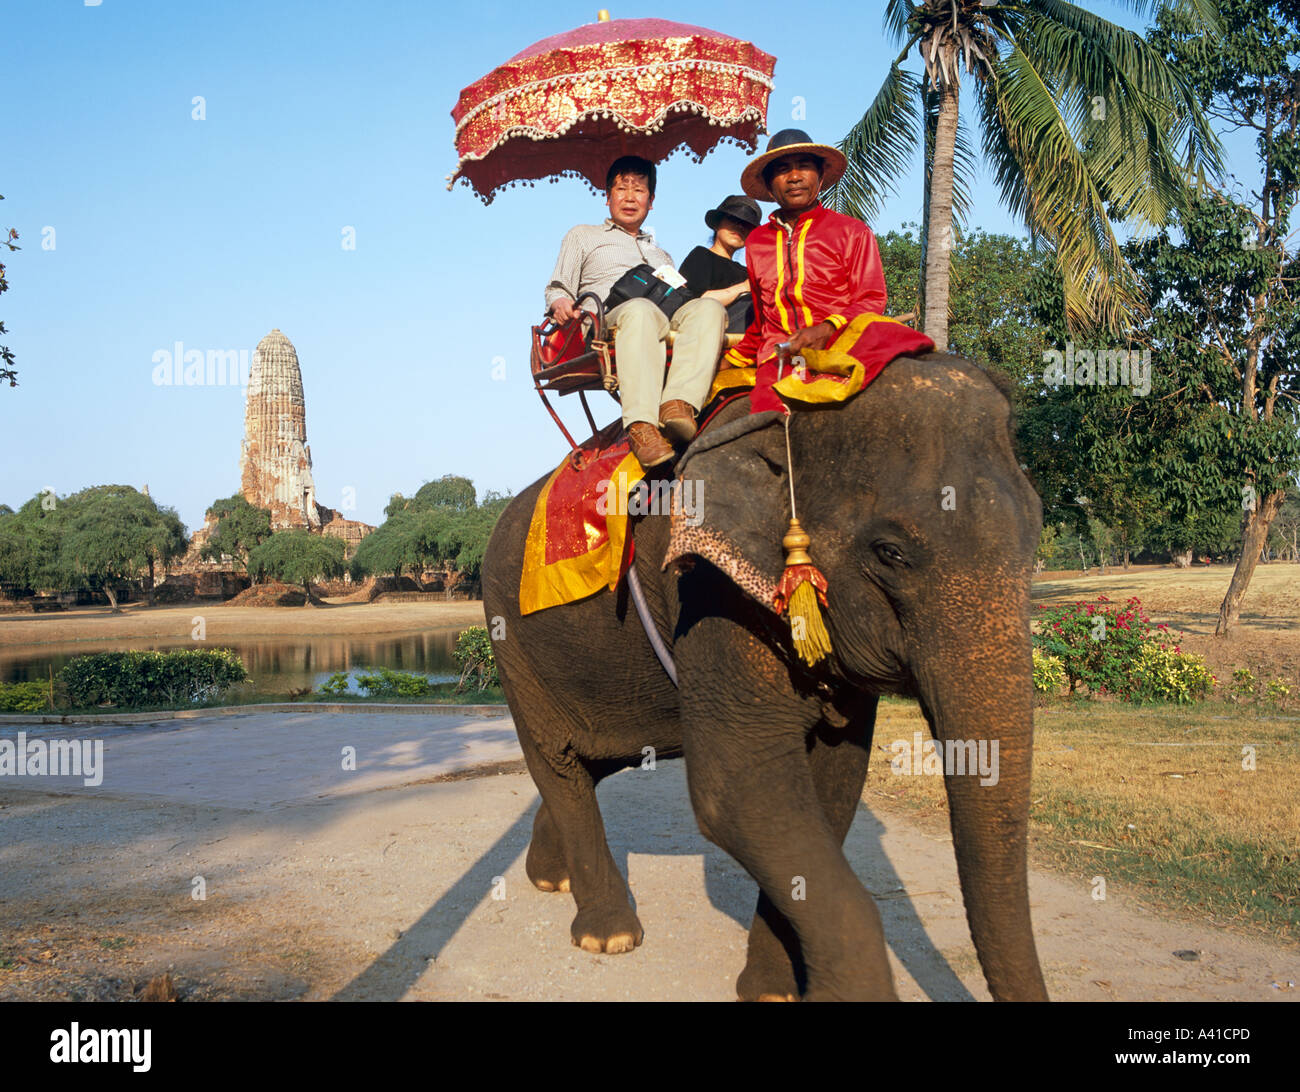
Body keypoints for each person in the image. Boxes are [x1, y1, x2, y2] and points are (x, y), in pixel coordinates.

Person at [544, 156, 727, 469]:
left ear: (651, 201)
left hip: (662, 319)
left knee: (708, 308)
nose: (630, 197)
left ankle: (678, 404)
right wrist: (559, 302)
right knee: (641, 310)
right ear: (608, 196)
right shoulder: (583, 235)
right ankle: (641, 426)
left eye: (639, 190)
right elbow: (557, 288)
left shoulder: (661, 253)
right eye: (621, 188)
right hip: (609, 320)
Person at [725, 129, 909, 412]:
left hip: (843, 344)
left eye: (804, 167)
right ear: (769, 185)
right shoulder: (756, 242)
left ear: (820, 177)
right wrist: (728, 361)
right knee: (762, 421)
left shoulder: (852, 231)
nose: (795, 176)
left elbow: (871, 299)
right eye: (783, 170)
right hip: (781, 357)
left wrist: (827, 328)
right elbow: (762, 323)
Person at [678, 195, 761, 333]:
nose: (739, 227)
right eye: (733, 219)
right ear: (717, 224)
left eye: (747, 224)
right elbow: (696, 301)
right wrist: (744, 287)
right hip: (702, 329)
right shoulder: (701, 255)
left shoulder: (747, 271)